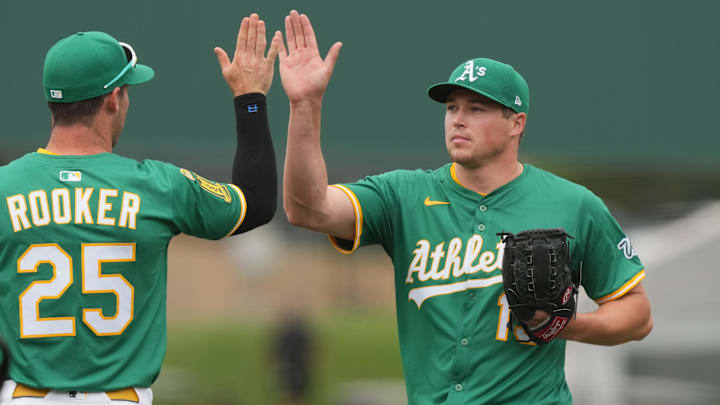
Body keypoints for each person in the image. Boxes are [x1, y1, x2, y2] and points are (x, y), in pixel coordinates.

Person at [278, 10, 653, 404]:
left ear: (516, 123)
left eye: (477, 108)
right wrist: (305, 105)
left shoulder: (572, 204)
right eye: (452, 107)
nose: (458, 120)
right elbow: (308, 209)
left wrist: (566, 326)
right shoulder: (403, 195)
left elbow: (638, 315)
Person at [0, 13, 280, 405]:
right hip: (120, 398)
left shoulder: (4, 188)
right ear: (113, 98)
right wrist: (250, 99)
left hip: (22, 396)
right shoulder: (158, 186)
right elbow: (258, 200)